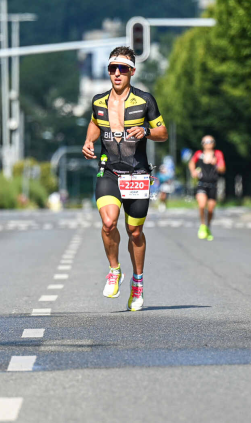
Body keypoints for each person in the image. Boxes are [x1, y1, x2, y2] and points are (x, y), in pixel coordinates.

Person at [82, 46, 168, 311]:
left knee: (135, 231)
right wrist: (88, 141)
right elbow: (95, 124)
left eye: (122, 69)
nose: (117, 73)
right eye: (112, 68)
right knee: (109, 223)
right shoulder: (98, 101)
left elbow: (163, 133)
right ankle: (114, 270)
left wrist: (146, 131)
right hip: (109, 170)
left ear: (132, 71)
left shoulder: (145, 100)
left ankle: (137, 282)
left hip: (137, 174)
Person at [188, 137, 226, 241]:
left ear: (214, 143)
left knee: (210, 209)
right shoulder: (199, 154)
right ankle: (203, 225)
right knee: (201, 205)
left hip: (213, 185)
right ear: (202, 144)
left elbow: (223, 169)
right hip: (202, 184)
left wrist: (215, 164)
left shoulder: (217, 154)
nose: (208, 144)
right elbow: (191, 162)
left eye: (210, 141)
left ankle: (208, 226)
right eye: (205, 142)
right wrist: (193, 171)